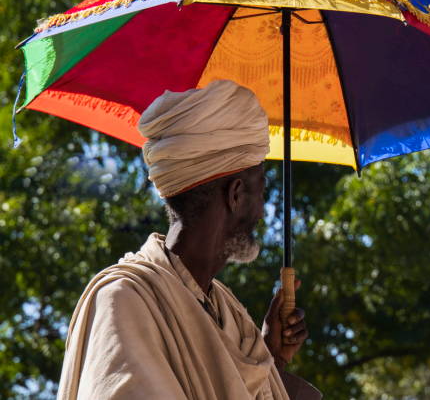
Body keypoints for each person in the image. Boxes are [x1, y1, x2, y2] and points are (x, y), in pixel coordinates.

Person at [57, 80, 321, 399]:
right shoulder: (126, 300)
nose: (263, 213)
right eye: (261, 189)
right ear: (236, 194)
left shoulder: (232, 317)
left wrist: (272, 360)